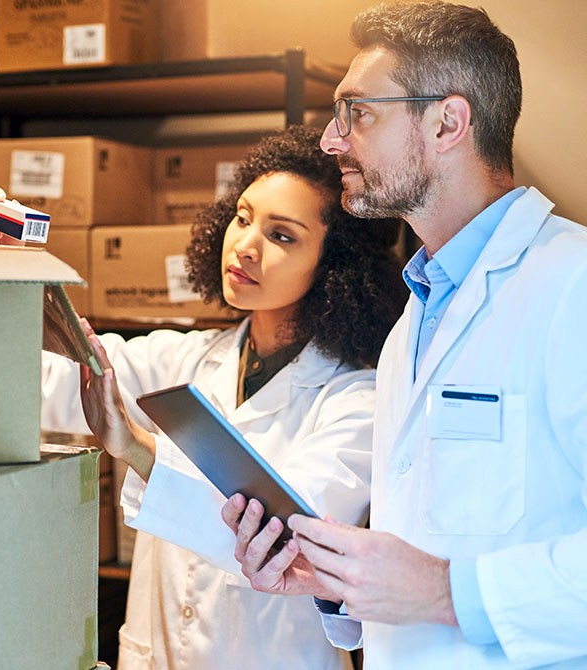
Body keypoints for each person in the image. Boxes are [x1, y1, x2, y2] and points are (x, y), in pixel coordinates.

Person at [221, 3, 587, 669]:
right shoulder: (413, 320)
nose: (332, 141)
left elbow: (435, 584)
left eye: (357, 113)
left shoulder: (574, 285)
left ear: (447, 122)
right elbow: (418, 555)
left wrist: (444, 591)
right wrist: (334, 583)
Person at [0, 125, 406, 670]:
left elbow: (281, 540)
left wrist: (139, 448)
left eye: (282, 235)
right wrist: (8, 272)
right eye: (243, 218)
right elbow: (56, 379)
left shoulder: (356, 399)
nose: (244, 245)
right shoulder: (188, 359)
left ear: (335, 266)